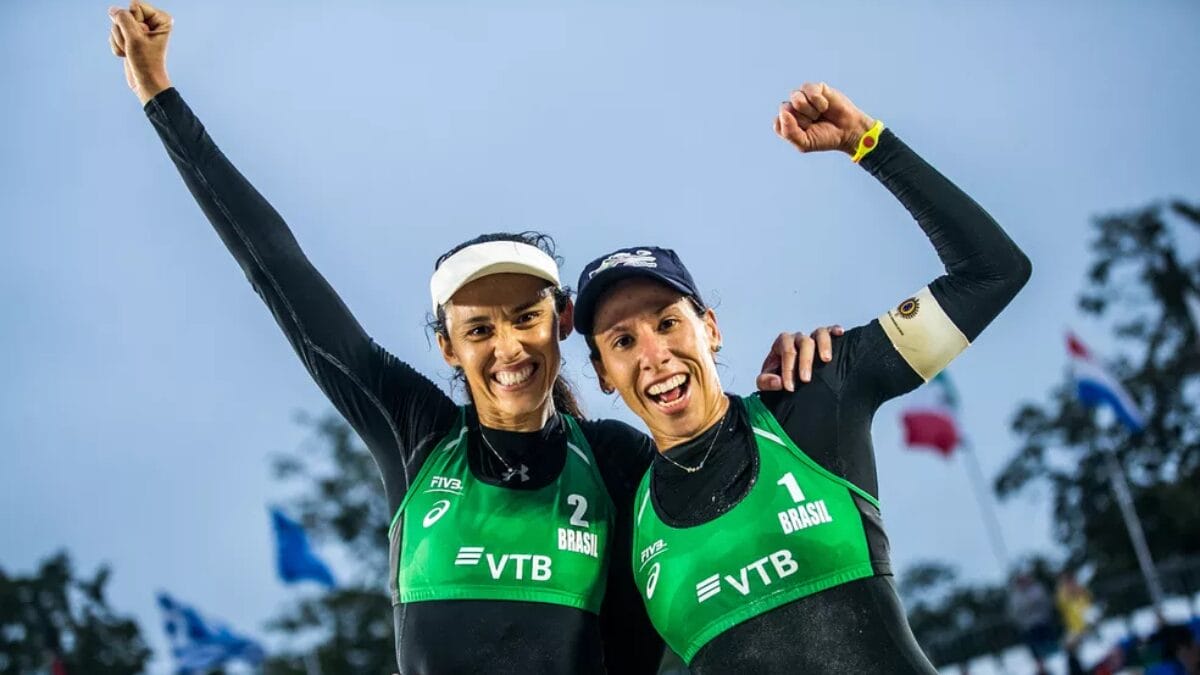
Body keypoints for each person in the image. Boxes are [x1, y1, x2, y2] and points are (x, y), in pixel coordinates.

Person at [105, 4, 836, 672]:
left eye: (525, 317)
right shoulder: (418, 434)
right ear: (448, 349)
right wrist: (158, 93)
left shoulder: (618, 464)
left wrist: (795, 393)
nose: (509, 348)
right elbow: (277, 267)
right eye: (478, 330)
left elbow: (738, 532)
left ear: (563, 323)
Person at [572, 81, 1032, 673]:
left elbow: (993, 272)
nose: (655, 355)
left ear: (711, 328)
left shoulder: (814, 396)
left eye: (668, 322)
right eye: (623, 341)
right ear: (604, 375)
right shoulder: (629, 520)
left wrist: (869, 144)